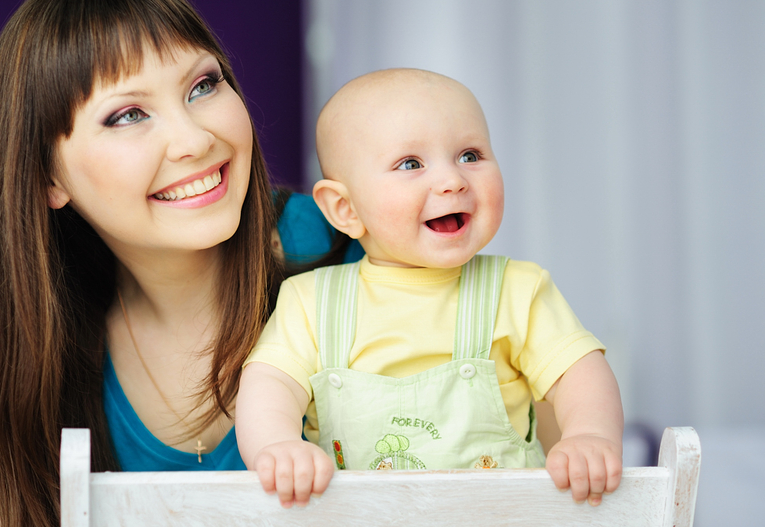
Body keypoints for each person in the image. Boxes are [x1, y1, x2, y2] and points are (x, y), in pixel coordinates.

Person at [0, 0, 361, 525]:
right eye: (128, 115)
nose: (194, 140)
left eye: (203, 85)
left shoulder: (355, 243)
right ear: (48, 177)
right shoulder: (31, 366)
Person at [236, 69, 624, 509]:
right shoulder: (309, 301)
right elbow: (269, 384)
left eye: (470, 155)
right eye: (411, 164)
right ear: (345, 209)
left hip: (501, 515)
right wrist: (278, 446)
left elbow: (579, 373)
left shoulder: (518, 289)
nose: (453, 180)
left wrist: (589, 434)